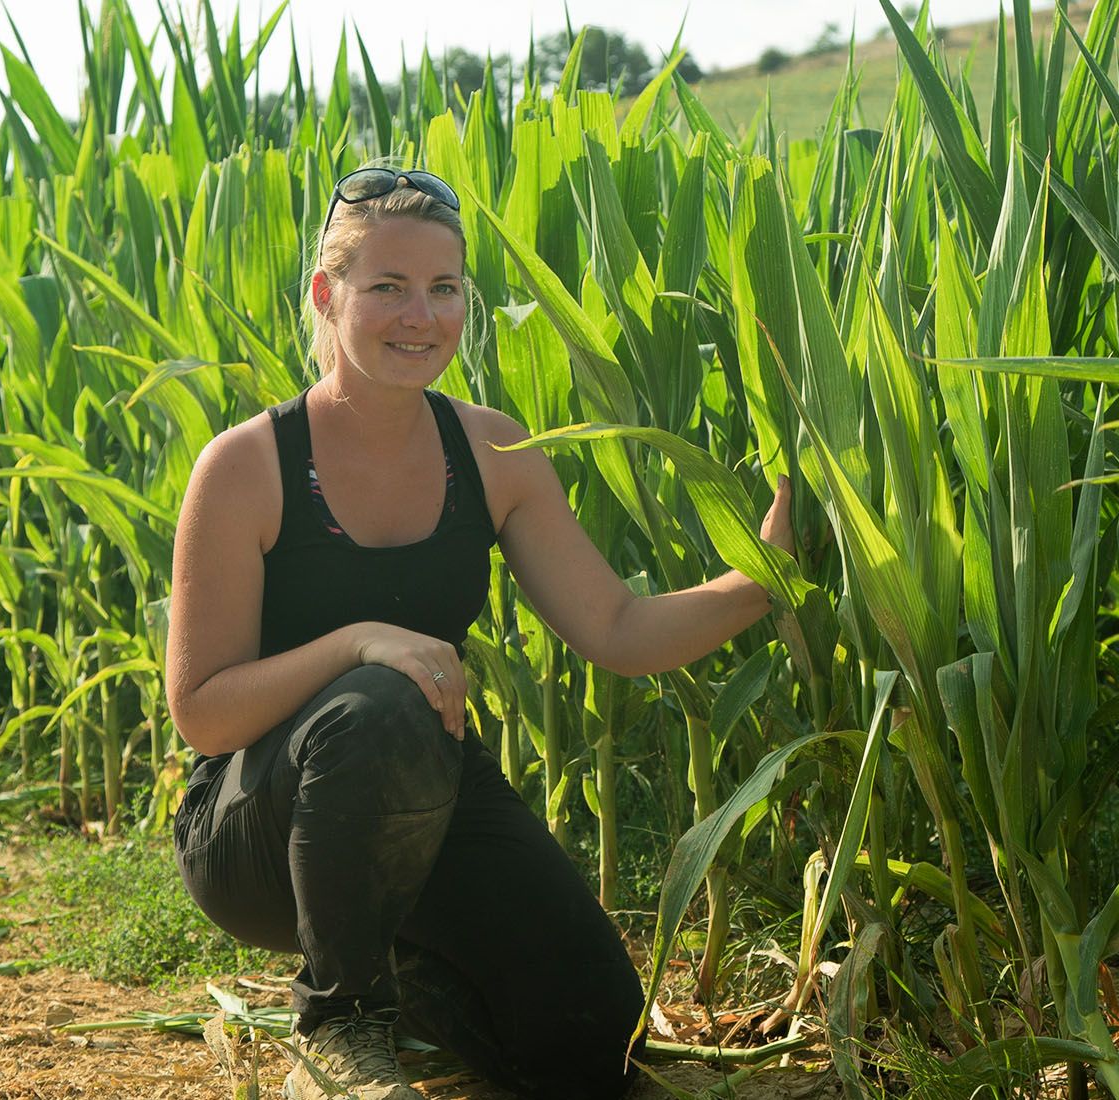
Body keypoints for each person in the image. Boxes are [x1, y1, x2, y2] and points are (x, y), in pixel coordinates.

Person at [162, 166, 793, 1100]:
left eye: (444, 289)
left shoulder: (492, 451)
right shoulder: (250, 467)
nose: (420, 315)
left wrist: (764, 578)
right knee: (377, 700)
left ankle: (415, 984)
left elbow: (616, 627)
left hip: (426, 793)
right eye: (387, 287)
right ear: (327, 296)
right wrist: (357, 641)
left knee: (594, 1035)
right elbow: (203, 716)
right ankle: (337, 1026)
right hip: (256, 831)